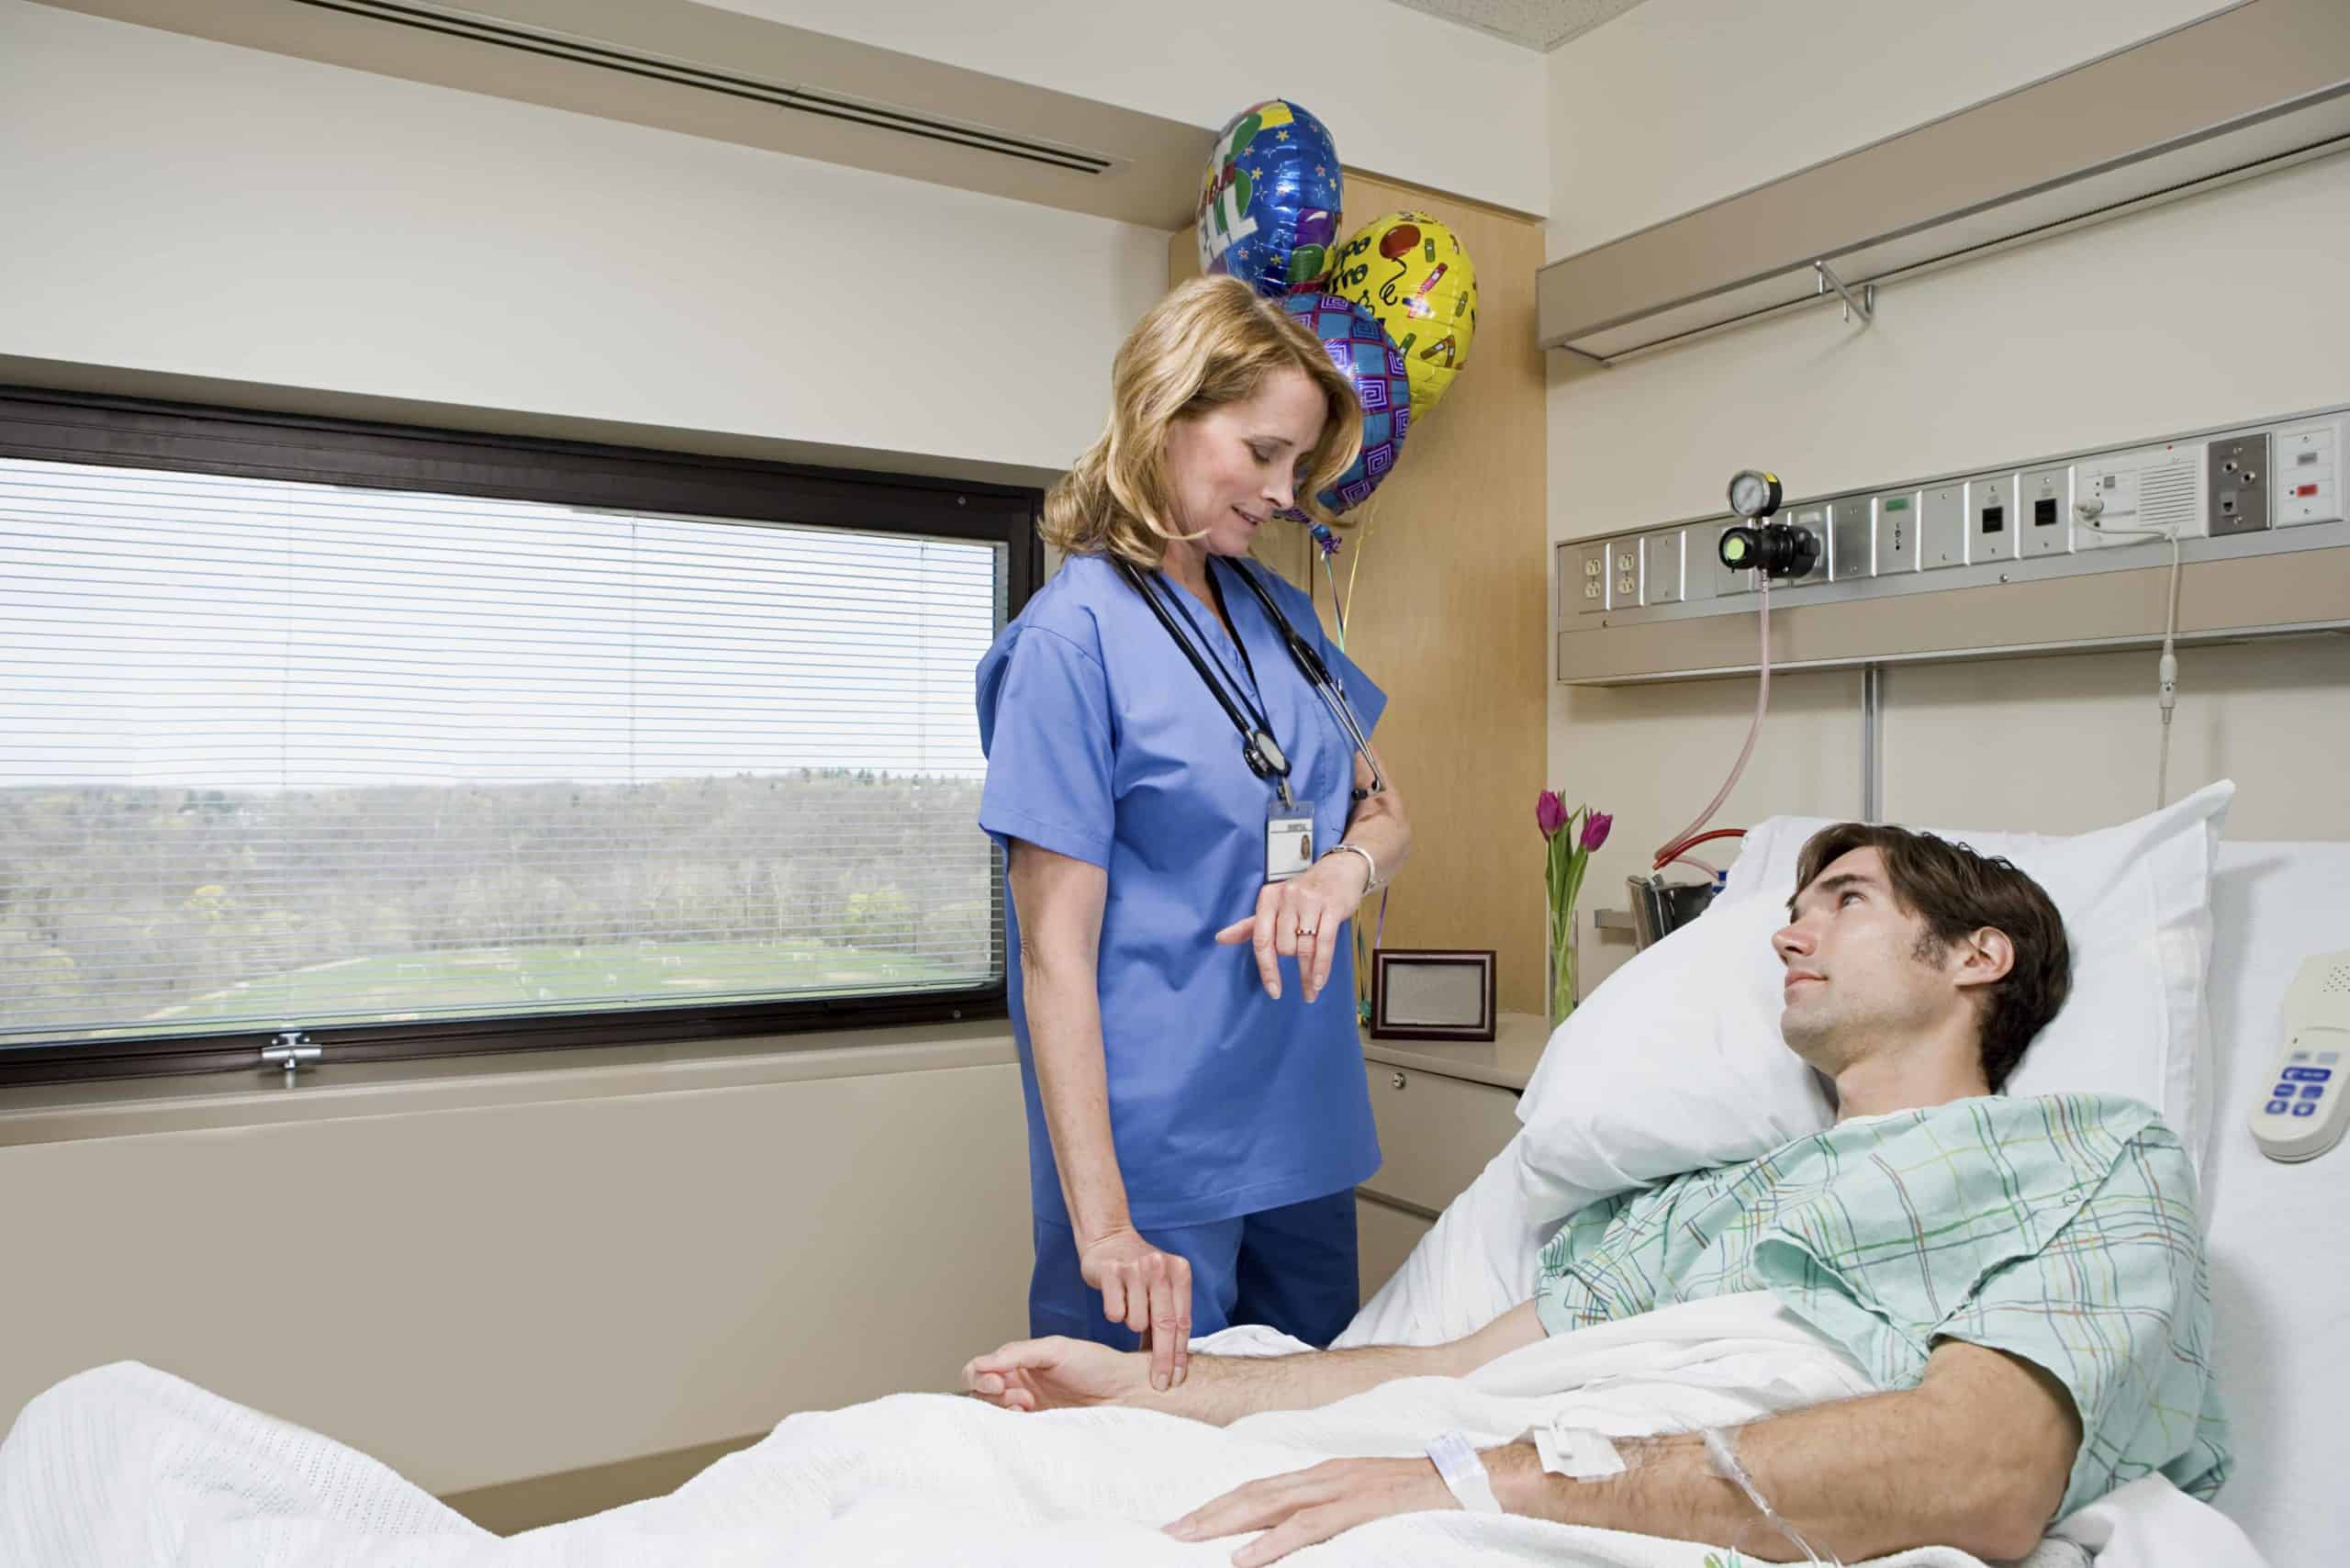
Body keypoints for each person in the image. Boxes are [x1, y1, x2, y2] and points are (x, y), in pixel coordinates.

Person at [965, 823, 2231, 1566]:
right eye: (1789, 911)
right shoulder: (1707, 1198)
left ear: (1977, 956)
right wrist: (1159, 1384)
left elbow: (1984, 1469)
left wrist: (1472, 1482)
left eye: (1843, 903)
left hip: (1559, 1496)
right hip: (1518, 1457)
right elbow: (1443, 1370)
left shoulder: (2091, 1156)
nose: (1788, 935)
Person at [974, 275, 1414, 1394]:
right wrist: (1107, 1224)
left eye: (1298, 468)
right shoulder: (1070, 644)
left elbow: (1384, 809)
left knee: (1315, 1438)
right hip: (1157, 1157)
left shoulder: (1281, 612)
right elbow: (1051, 958)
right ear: (1165, 416)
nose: (1282, 493)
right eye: (1261, 453)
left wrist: (1339, 877)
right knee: (1141, 1481)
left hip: (1303, 1122)